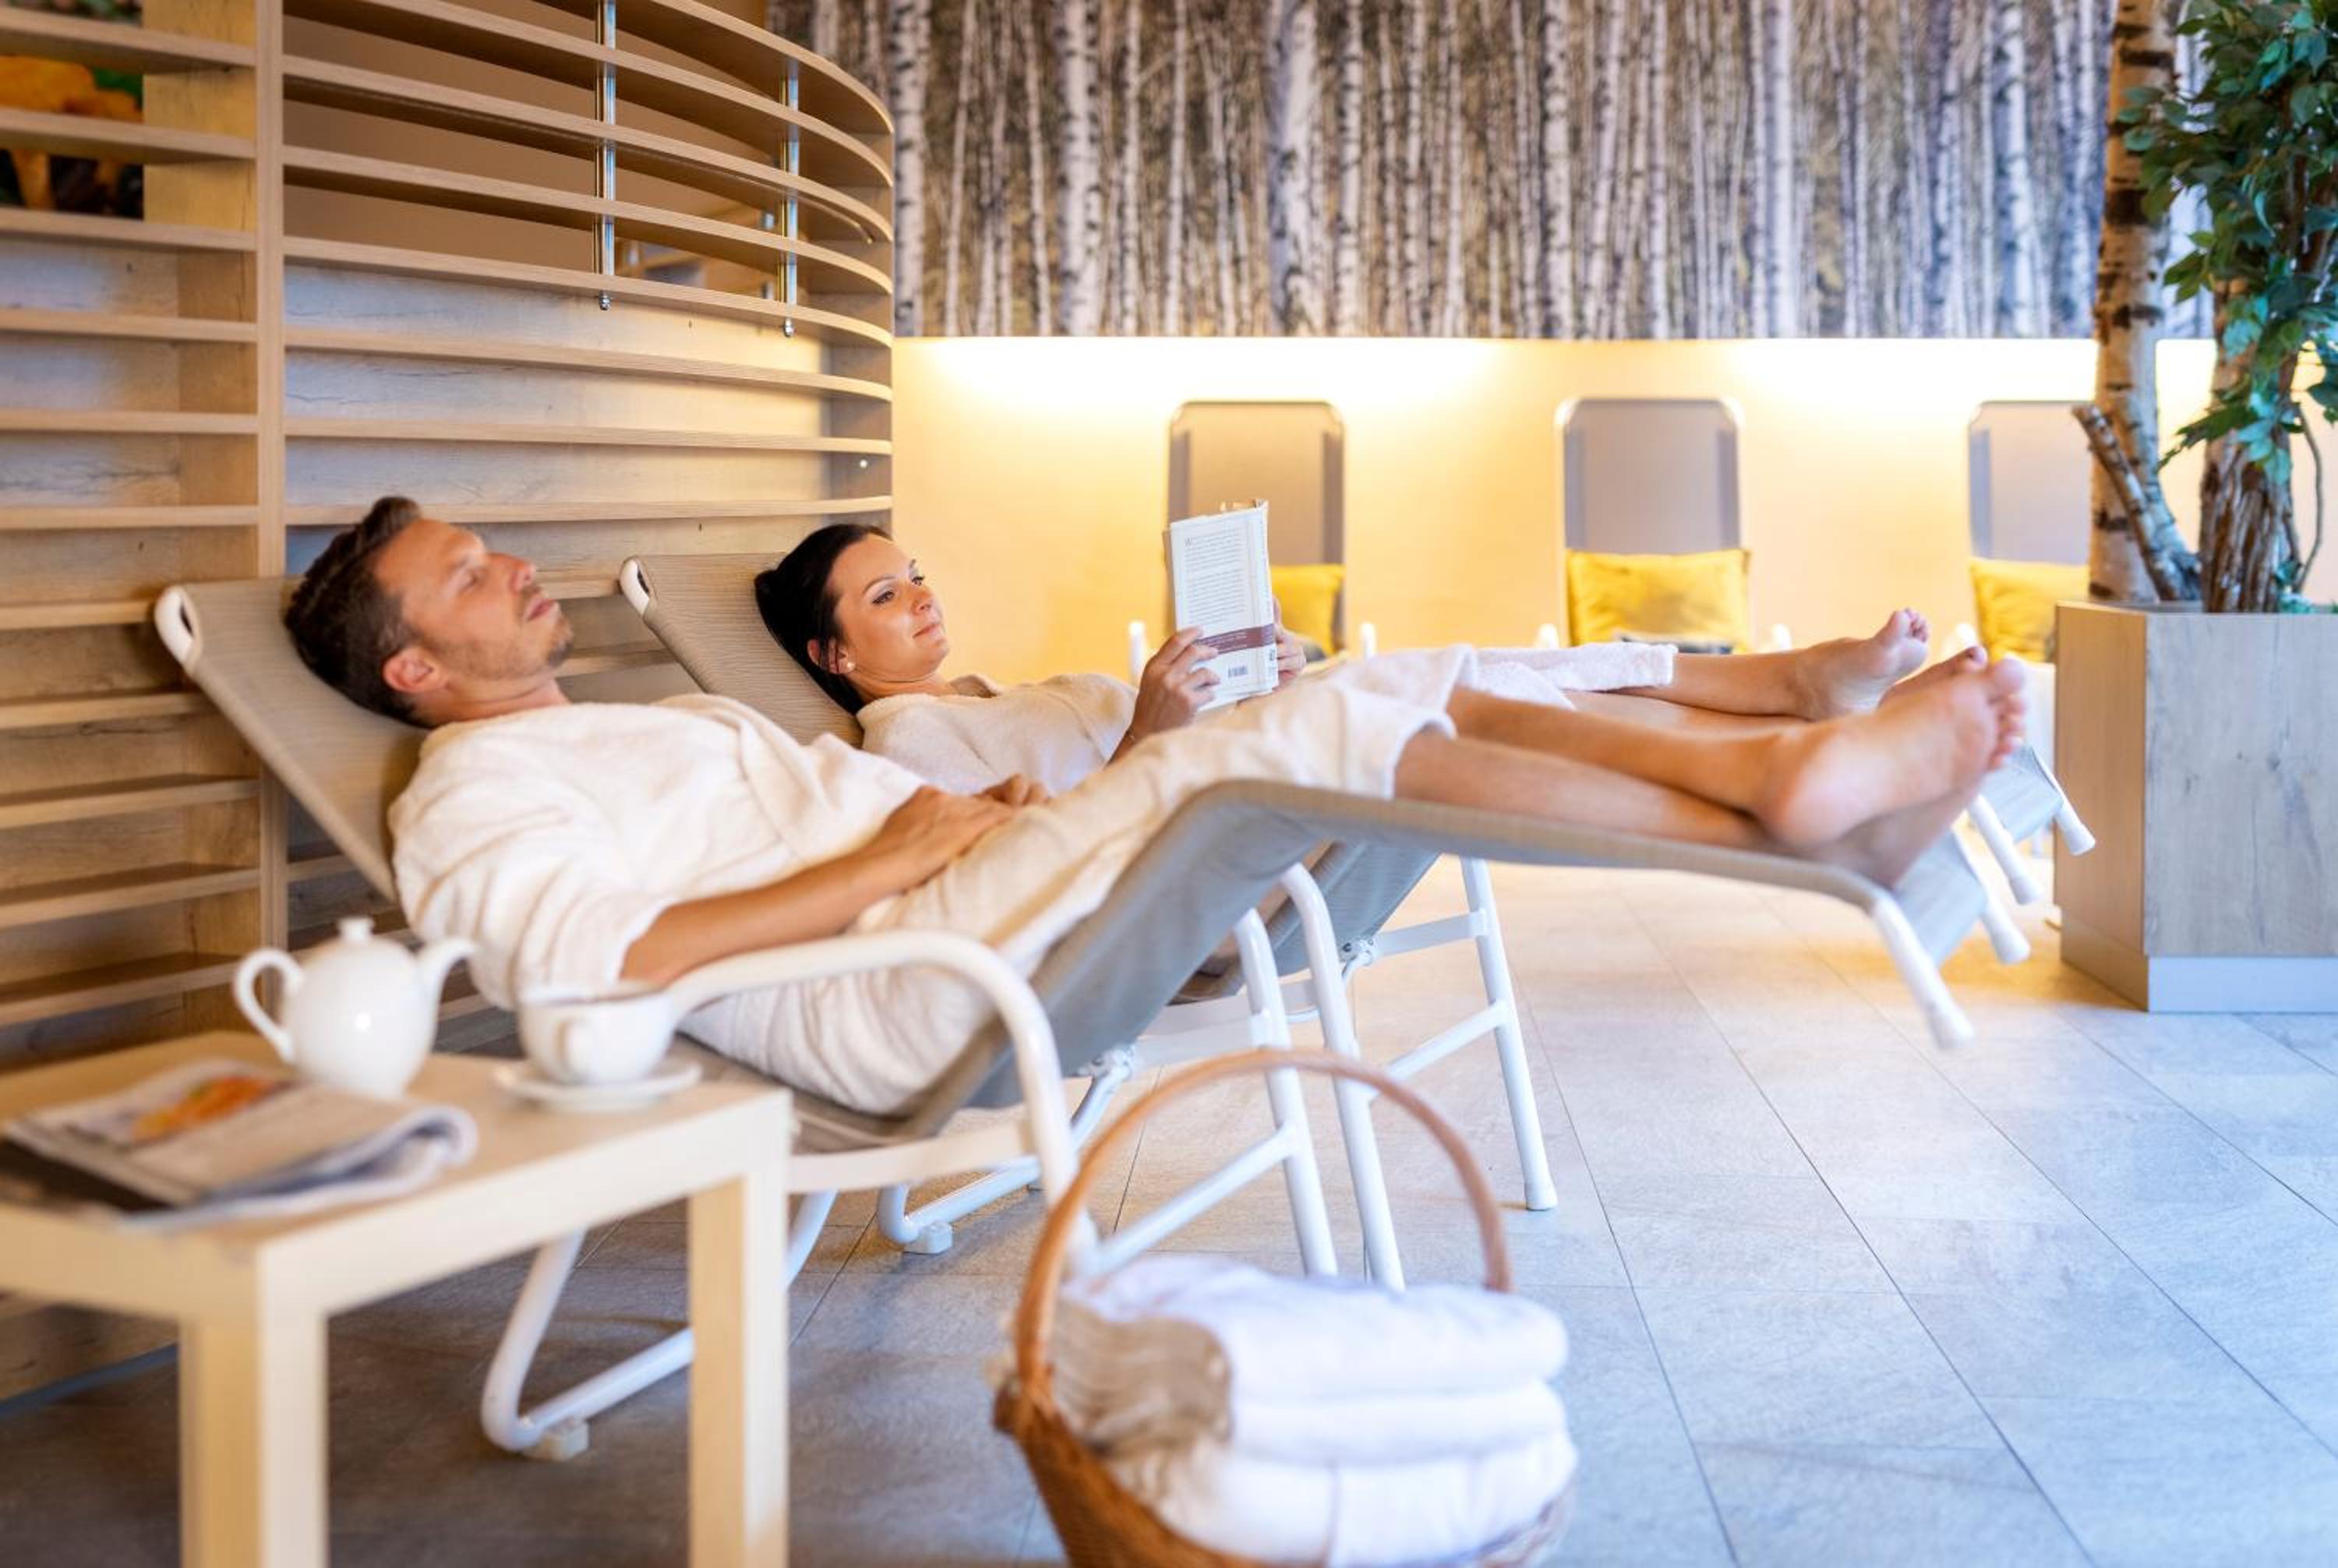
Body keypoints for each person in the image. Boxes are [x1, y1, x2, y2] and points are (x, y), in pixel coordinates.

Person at [287, 498, 2022, 1115]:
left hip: (945, 902)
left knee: (1368, 699)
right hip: (890, 984)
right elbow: (582, 968)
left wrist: (946, 825)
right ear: (414, 667)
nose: (513, 567)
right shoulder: (467, 790)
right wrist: (892, 850)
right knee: (1326, 714)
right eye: (467, 573)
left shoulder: (649, 726)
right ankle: (1776, 771)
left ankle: (1782, 773)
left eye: (491, 546)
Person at [758, 521, 1987, 801]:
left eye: (917, 573)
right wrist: (1149, 731)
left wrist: (1249, 674)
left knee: (1480, 678)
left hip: (1249, 754)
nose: (922, 597)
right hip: (1214, 815)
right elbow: (1031, 849)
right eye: (885, 595)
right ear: (831, 650)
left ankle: (1795, 701)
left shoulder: (994, 695)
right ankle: (1792, 700)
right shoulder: (904, 741)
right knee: (1468, 682)